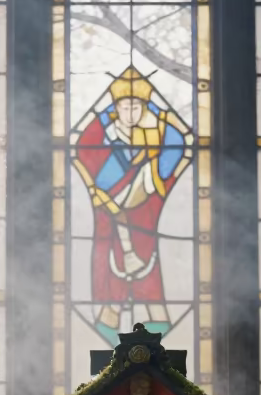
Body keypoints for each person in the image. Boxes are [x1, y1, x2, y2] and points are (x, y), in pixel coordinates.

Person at [73, 67, 192, 346]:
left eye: (137, 106)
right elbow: (83, 149)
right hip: (110, 224)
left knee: (149, 279)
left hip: (145, 222)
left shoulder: (155, 139)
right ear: (116, 108)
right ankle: (108, 341)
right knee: (113, 280)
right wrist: (104, 117)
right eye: (124, 106)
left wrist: (159, 116)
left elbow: (177, 143)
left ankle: (156, 345)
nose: (130, 112)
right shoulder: (106, 137)